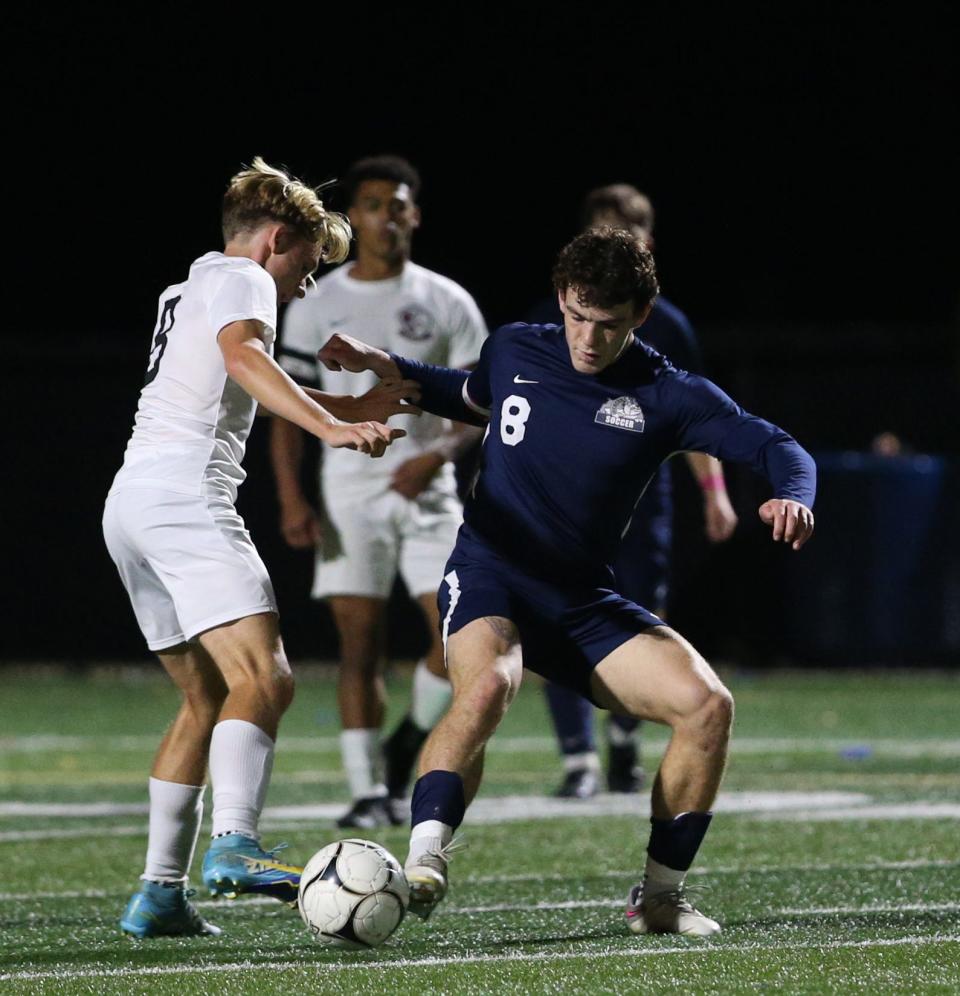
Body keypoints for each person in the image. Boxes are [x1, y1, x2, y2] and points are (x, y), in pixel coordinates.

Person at [317, 226, 815, 936]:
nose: (587, 336)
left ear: (641, 315)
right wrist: (388, 364)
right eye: (577, 315)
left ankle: (660, 900)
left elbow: (776, 446)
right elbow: (471, 394)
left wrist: (795, 493)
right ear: (561, 299)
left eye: (607, 324)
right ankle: (424, 860)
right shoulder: (517, 344)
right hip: (491, 570)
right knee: (489, 684)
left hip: (580, 600)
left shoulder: (668, 393)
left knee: (707, 707)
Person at [102, 158, 408, 938]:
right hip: (185, 501)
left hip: (132, 503)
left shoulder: (195, 281)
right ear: (276, 240)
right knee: (265, 680)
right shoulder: (243, 280)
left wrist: (347, 403)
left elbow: (239, 374)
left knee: (209, 697)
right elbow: (245, 358)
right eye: (304, 268)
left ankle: (159, 893)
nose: (304, 286)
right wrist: (335, 427)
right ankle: (233, 843)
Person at [271, 155, 486, 829]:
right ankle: (367, 790)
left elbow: (485, 404)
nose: (386, 217)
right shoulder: (319, 298)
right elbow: (284, 405)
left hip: (428, 487)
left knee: (459, 638)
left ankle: (402, 752)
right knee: (358, 645)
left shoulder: (447, 300)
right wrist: (292, 498)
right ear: (352, 217)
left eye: (398, 205)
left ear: (414, 215)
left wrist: (438, 455)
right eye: (371, 205)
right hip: (348, 489)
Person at [528, 184, 738, 800]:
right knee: (555, 622)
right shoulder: (551, 315)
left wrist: (714, 490)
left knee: (642, 620)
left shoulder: (666, 324)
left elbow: (694, 414)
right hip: (562, 505)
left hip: (641, 505)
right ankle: (576, 759)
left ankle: (622, 740)